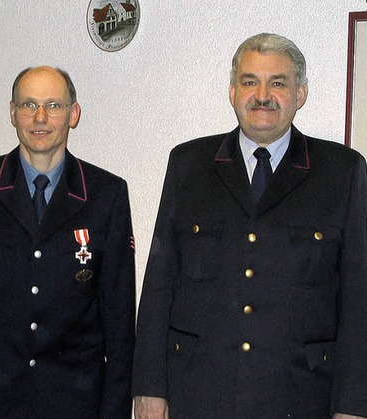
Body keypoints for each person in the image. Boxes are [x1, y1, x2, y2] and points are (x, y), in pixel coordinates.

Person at [132, 32, 367, 419]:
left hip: (301, 394)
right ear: (232, 91)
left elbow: (358, 297)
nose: (262, 95)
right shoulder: (189, 164)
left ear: (300, 93)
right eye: (249, 81)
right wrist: (149, 388)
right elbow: (160, 283)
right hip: (199, 390)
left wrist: (354, 405)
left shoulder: (340, 171)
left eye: (278, 82)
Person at [0, 65, 136, 418]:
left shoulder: (106, 195)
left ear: (74, 113)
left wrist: (113, 411)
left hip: (73, 401)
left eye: (53, 105)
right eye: (28, 105)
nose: (40, 117)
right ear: (12, 113)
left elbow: (120, 320)